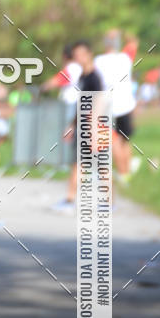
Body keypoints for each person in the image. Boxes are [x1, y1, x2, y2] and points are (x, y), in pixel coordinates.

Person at [53, 40, 104, 213]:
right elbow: (81, 104)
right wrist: (72, 125)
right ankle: (70, 199)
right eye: (76, 56)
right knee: (80, 164)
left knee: (99, 165)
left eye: (82, 54)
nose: (79, 58)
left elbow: (98, 102)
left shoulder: (94, 78)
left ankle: (107, 203)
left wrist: (93, 129)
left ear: (89, 54)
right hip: (83, 124)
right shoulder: (83, 77)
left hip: (92, 126)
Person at [94, 30, 136, 184]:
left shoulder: (98, 60)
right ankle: (127, 173)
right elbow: (133, 42)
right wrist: (121, 33)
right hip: (126, 105)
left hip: (109, 105)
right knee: (125, 140)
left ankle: (121, 173)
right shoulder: (125, 58)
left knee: (114, 141)